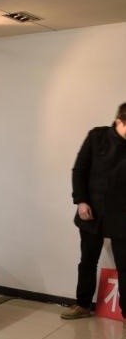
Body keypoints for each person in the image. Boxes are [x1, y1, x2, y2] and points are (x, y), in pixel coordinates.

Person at [62, 103, 126, 321]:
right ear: (118, 121)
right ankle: (82, 305)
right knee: (87, 260)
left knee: (125, 265)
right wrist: (80, 201)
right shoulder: (97, 137)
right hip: (92, 210)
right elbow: (79, 170)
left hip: (122, 214)